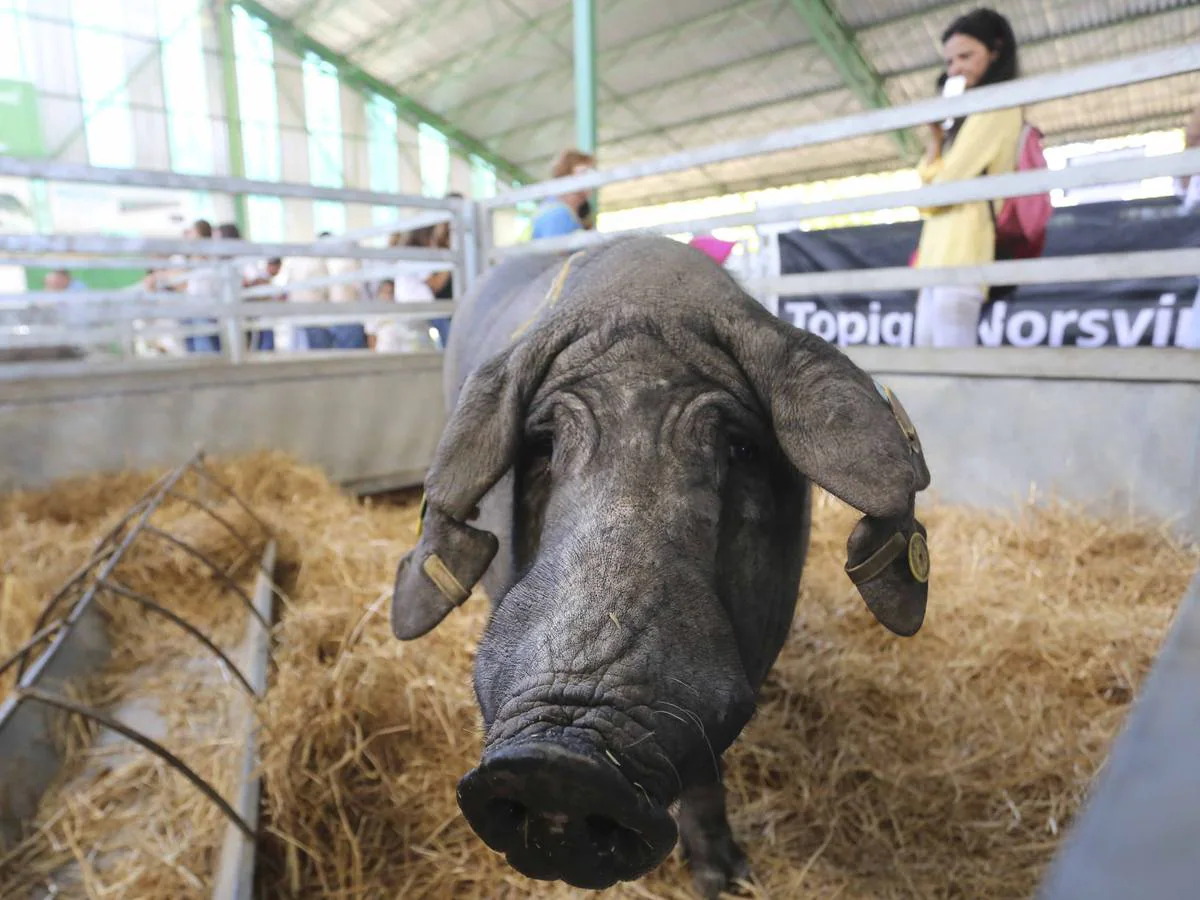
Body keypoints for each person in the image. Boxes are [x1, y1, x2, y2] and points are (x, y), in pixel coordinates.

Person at [911, 8, 1024, 348]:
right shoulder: (963, 116)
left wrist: (932, 188)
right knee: (927, 371)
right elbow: (926, 191)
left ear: (996, 51)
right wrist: (935, 140)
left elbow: (938, 190)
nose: (955, 68)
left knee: (952, 375)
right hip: (935, 261)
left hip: (964, 258)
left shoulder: (999, 105)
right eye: (949, 62)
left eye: (965, 56)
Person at [529, 149, 596, 240]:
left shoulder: (579, 214)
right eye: (585, 172)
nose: (592, 177)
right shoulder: (557, 213)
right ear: (566, 175)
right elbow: (553, 252)